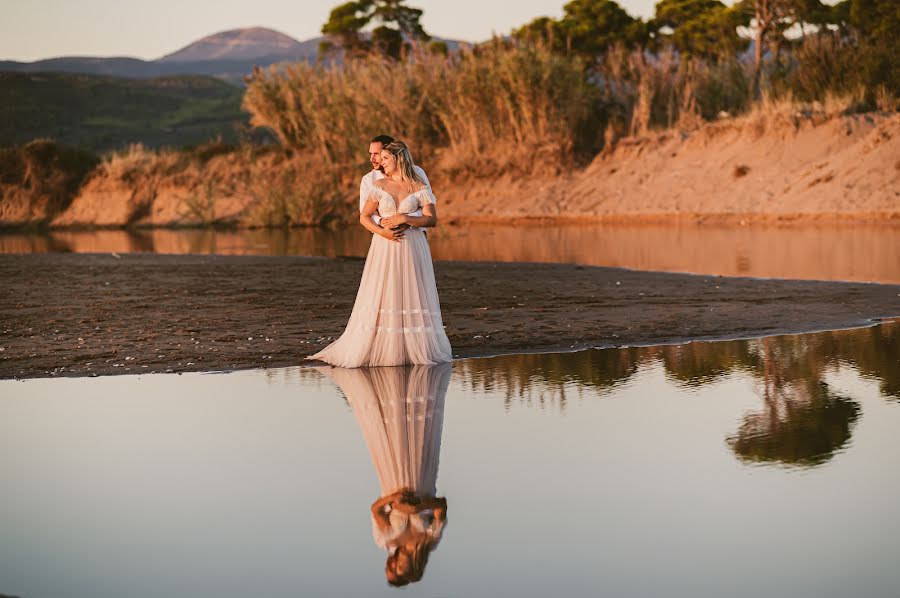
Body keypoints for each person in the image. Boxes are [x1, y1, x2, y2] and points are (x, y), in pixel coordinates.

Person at [307, 140, 453, 367]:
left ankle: (413, 344)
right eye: (380, 158)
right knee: (385, 289)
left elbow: (431, 219)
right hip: (385, 245)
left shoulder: (418, 184)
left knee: (411, 289)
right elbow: (364, 217)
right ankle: (384, 342)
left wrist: (407, 219)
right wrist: (382, 233)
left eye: (385, 158)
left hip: (412, 244)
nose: (380, 162)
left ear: (399, 159)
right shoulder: (379, 185)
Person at [315, 363, 451, 587]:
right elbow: (442, 506)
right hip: (423, 478)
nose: (391, 564)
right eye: (396, 570)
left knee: (393, 436)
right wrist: (417, 508)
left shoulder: (385, 540)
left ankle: (390, 393)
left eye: (389, 568)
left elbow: (375, 509)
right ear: (412, 570)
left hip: (392, 481)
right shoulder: (429, 541)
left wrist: (394, 499)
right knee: (420, 436)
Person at [360, 135, 432, 240]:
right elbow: (365, 213)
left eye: (376, 154)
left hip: (415, 235)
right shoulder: (369, 180)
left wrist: (407, 220)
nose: (371, 159)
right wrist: (381, 222)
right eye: (370, 154)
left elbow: (427, 207)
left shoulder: (417, 173)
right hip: (385, 236)